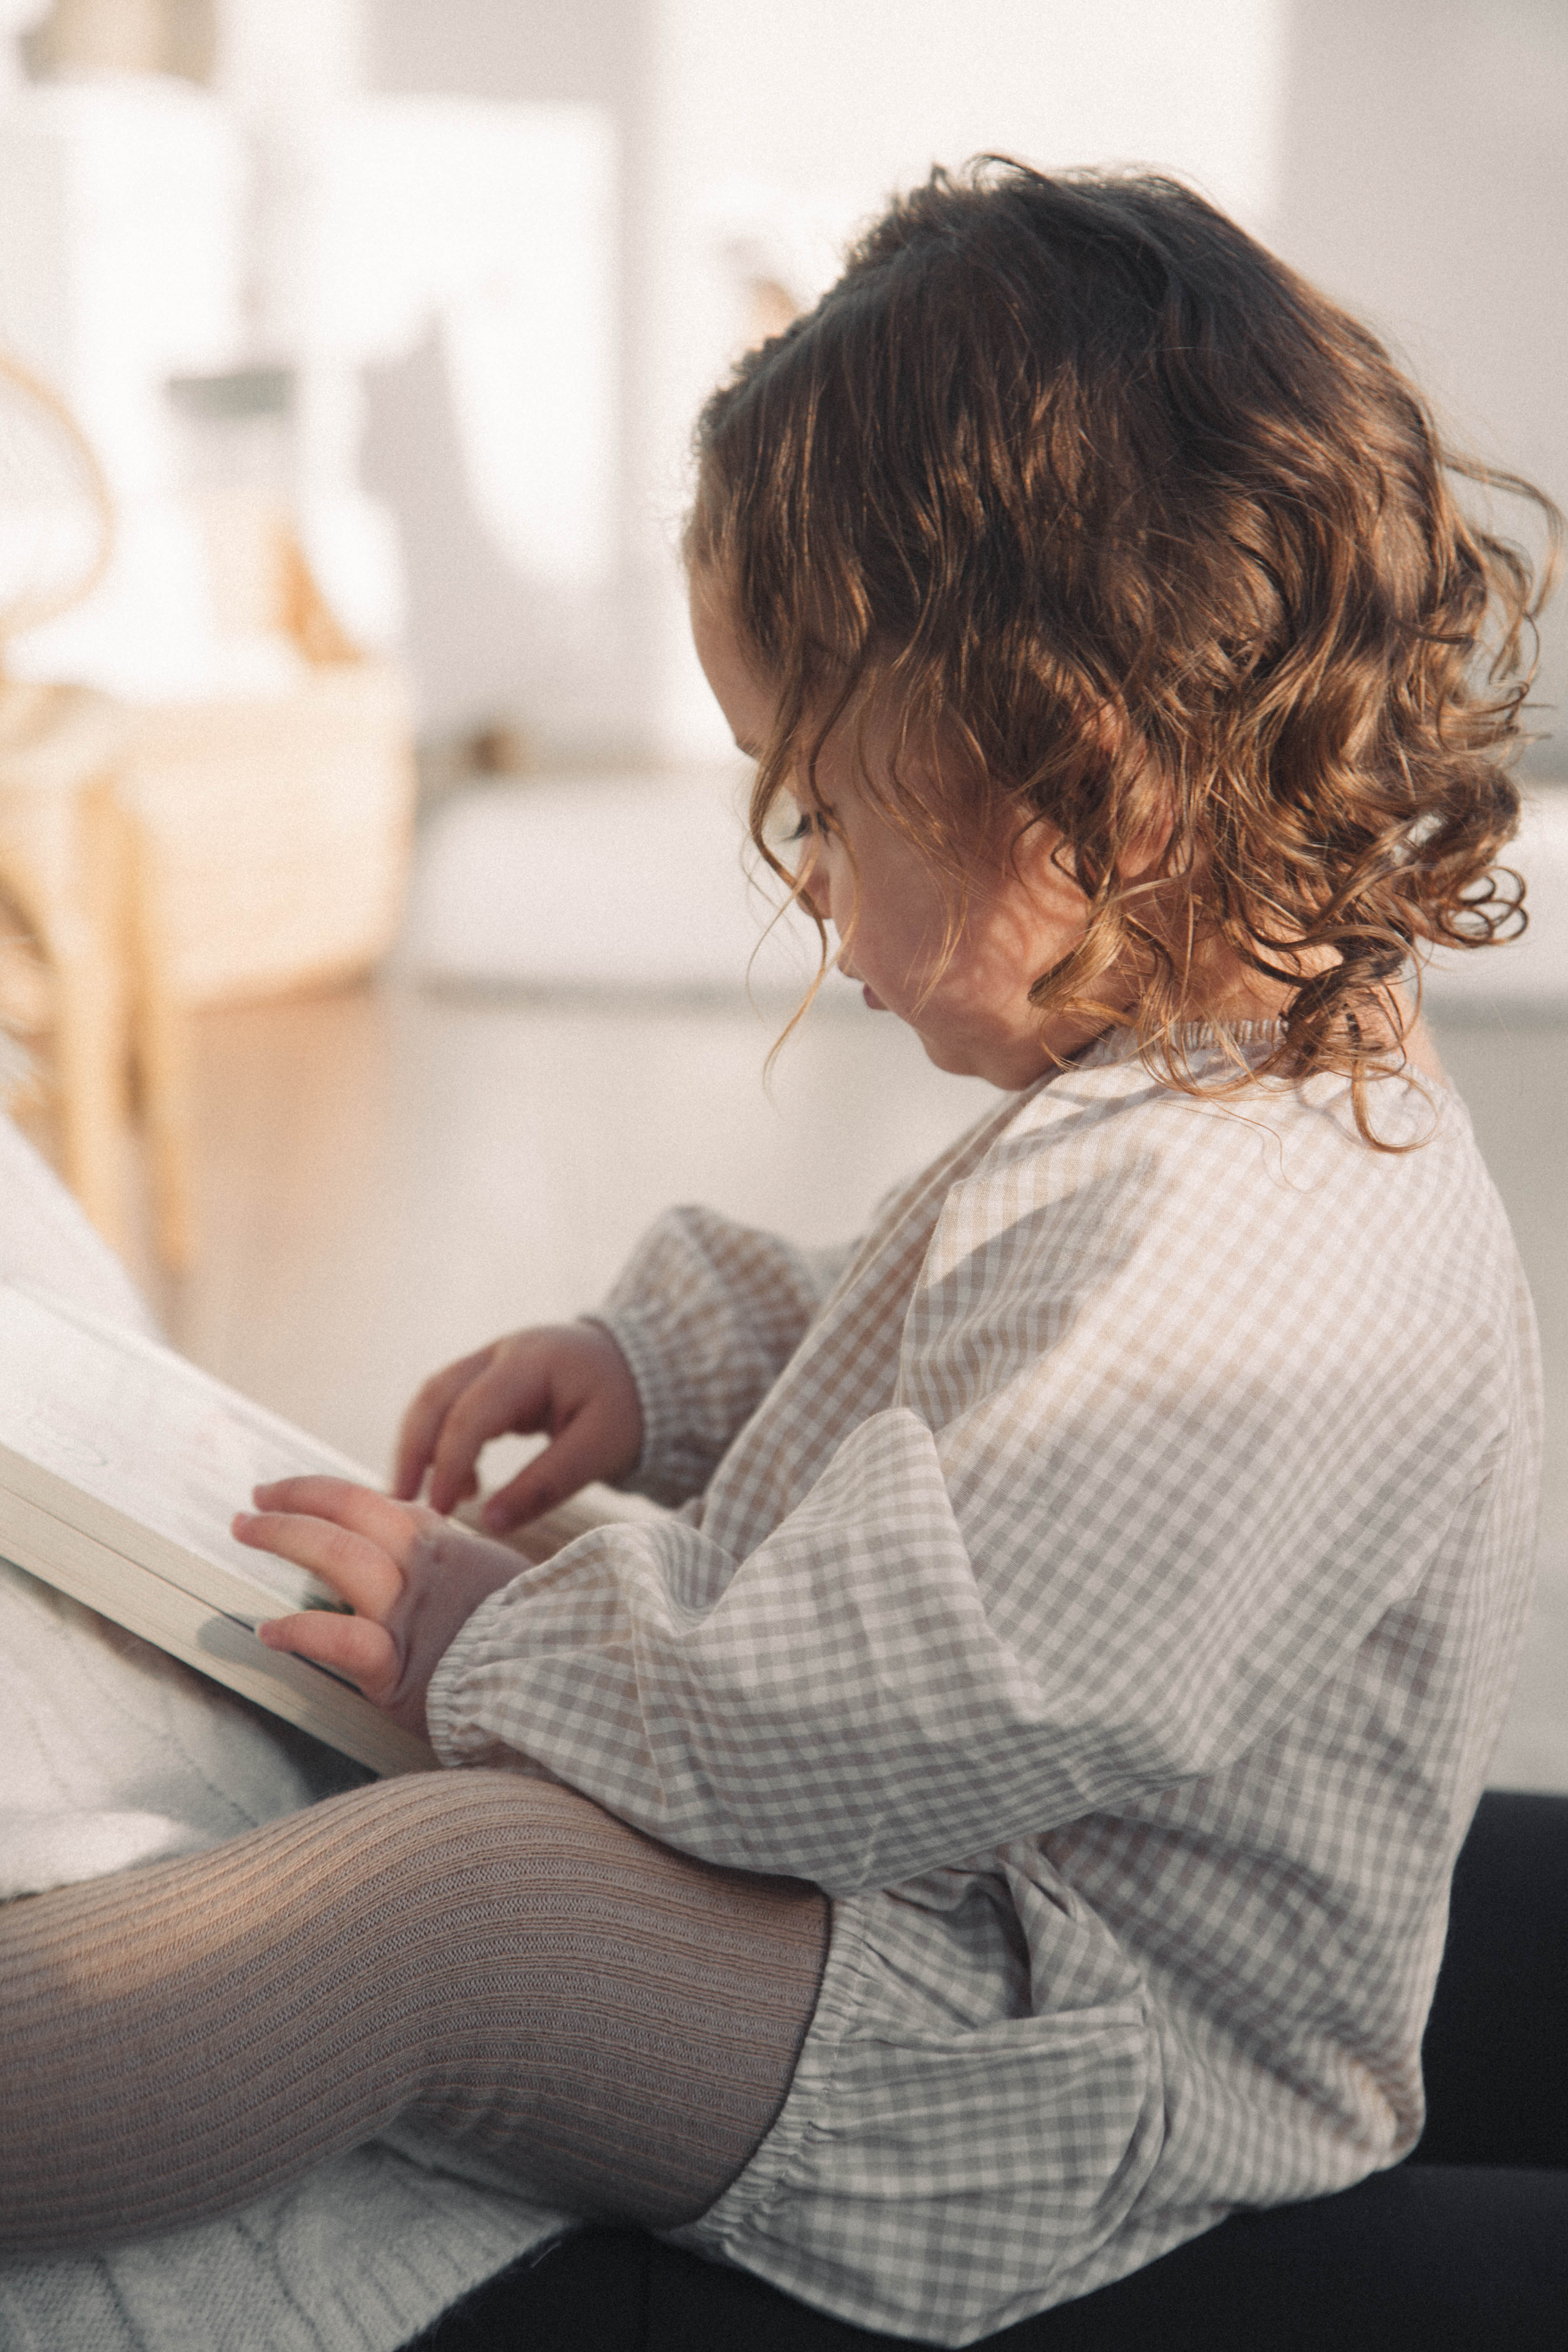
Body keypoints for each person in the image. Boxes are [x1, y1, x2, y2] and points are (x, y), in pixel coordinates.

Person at [0, 162, 1559, 2349]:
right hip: (998, 1919)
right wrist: (673, 1357)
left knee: (460, 1920)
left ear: (1074, 781)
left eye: (825, 810)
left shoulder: (1257, 1254)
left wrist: (501, 1645)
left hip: (1085, 2073)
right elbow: (936, 1331)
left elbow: (880, 1718)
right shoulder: (1216, 1097)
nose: (812, 895)